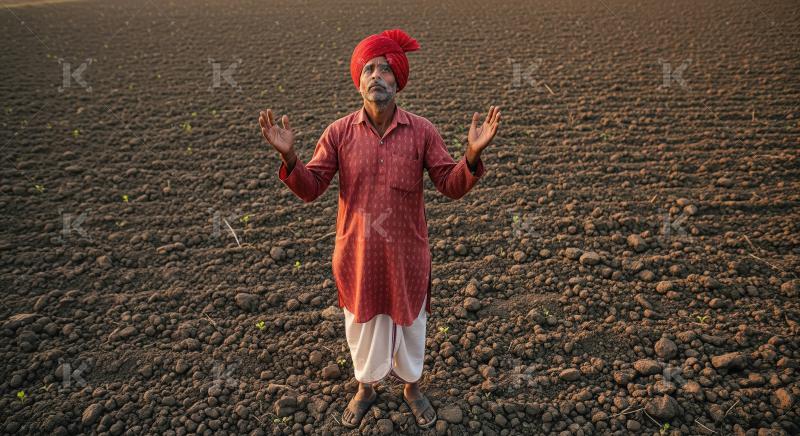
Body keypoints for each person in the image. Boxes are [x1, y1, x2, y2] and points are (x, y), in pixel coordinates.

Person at [258, 28, 500, 429]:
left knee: (411, 324)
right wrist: (290, 157)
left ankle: (411, 387)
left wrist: (472, 155)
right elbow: (311, 187)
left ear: (398, 80)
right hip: (358, 253)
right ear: (359, 80)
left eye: (385, 69)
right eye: (368, 68)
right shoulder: (338, 133)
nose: (376, 76)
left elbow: (450, 185)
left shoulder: (421, 131)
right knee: (362, 324)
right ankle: (366, 387)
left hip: (407, 253)